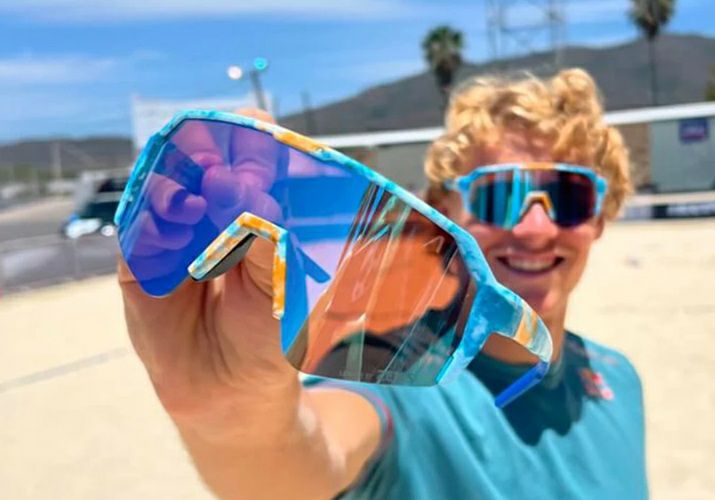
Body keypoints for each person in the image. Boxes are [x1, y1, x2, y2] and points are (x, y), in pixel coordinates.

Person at [118, 68, 647, 499]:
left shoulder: (619, 378)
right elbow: (313, 459)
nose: (534, 228)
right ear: (444, 212)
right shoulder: (395, 373)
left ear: (600, 219)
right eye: (499, 196)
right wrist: (234, 417)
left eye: (570, 197)